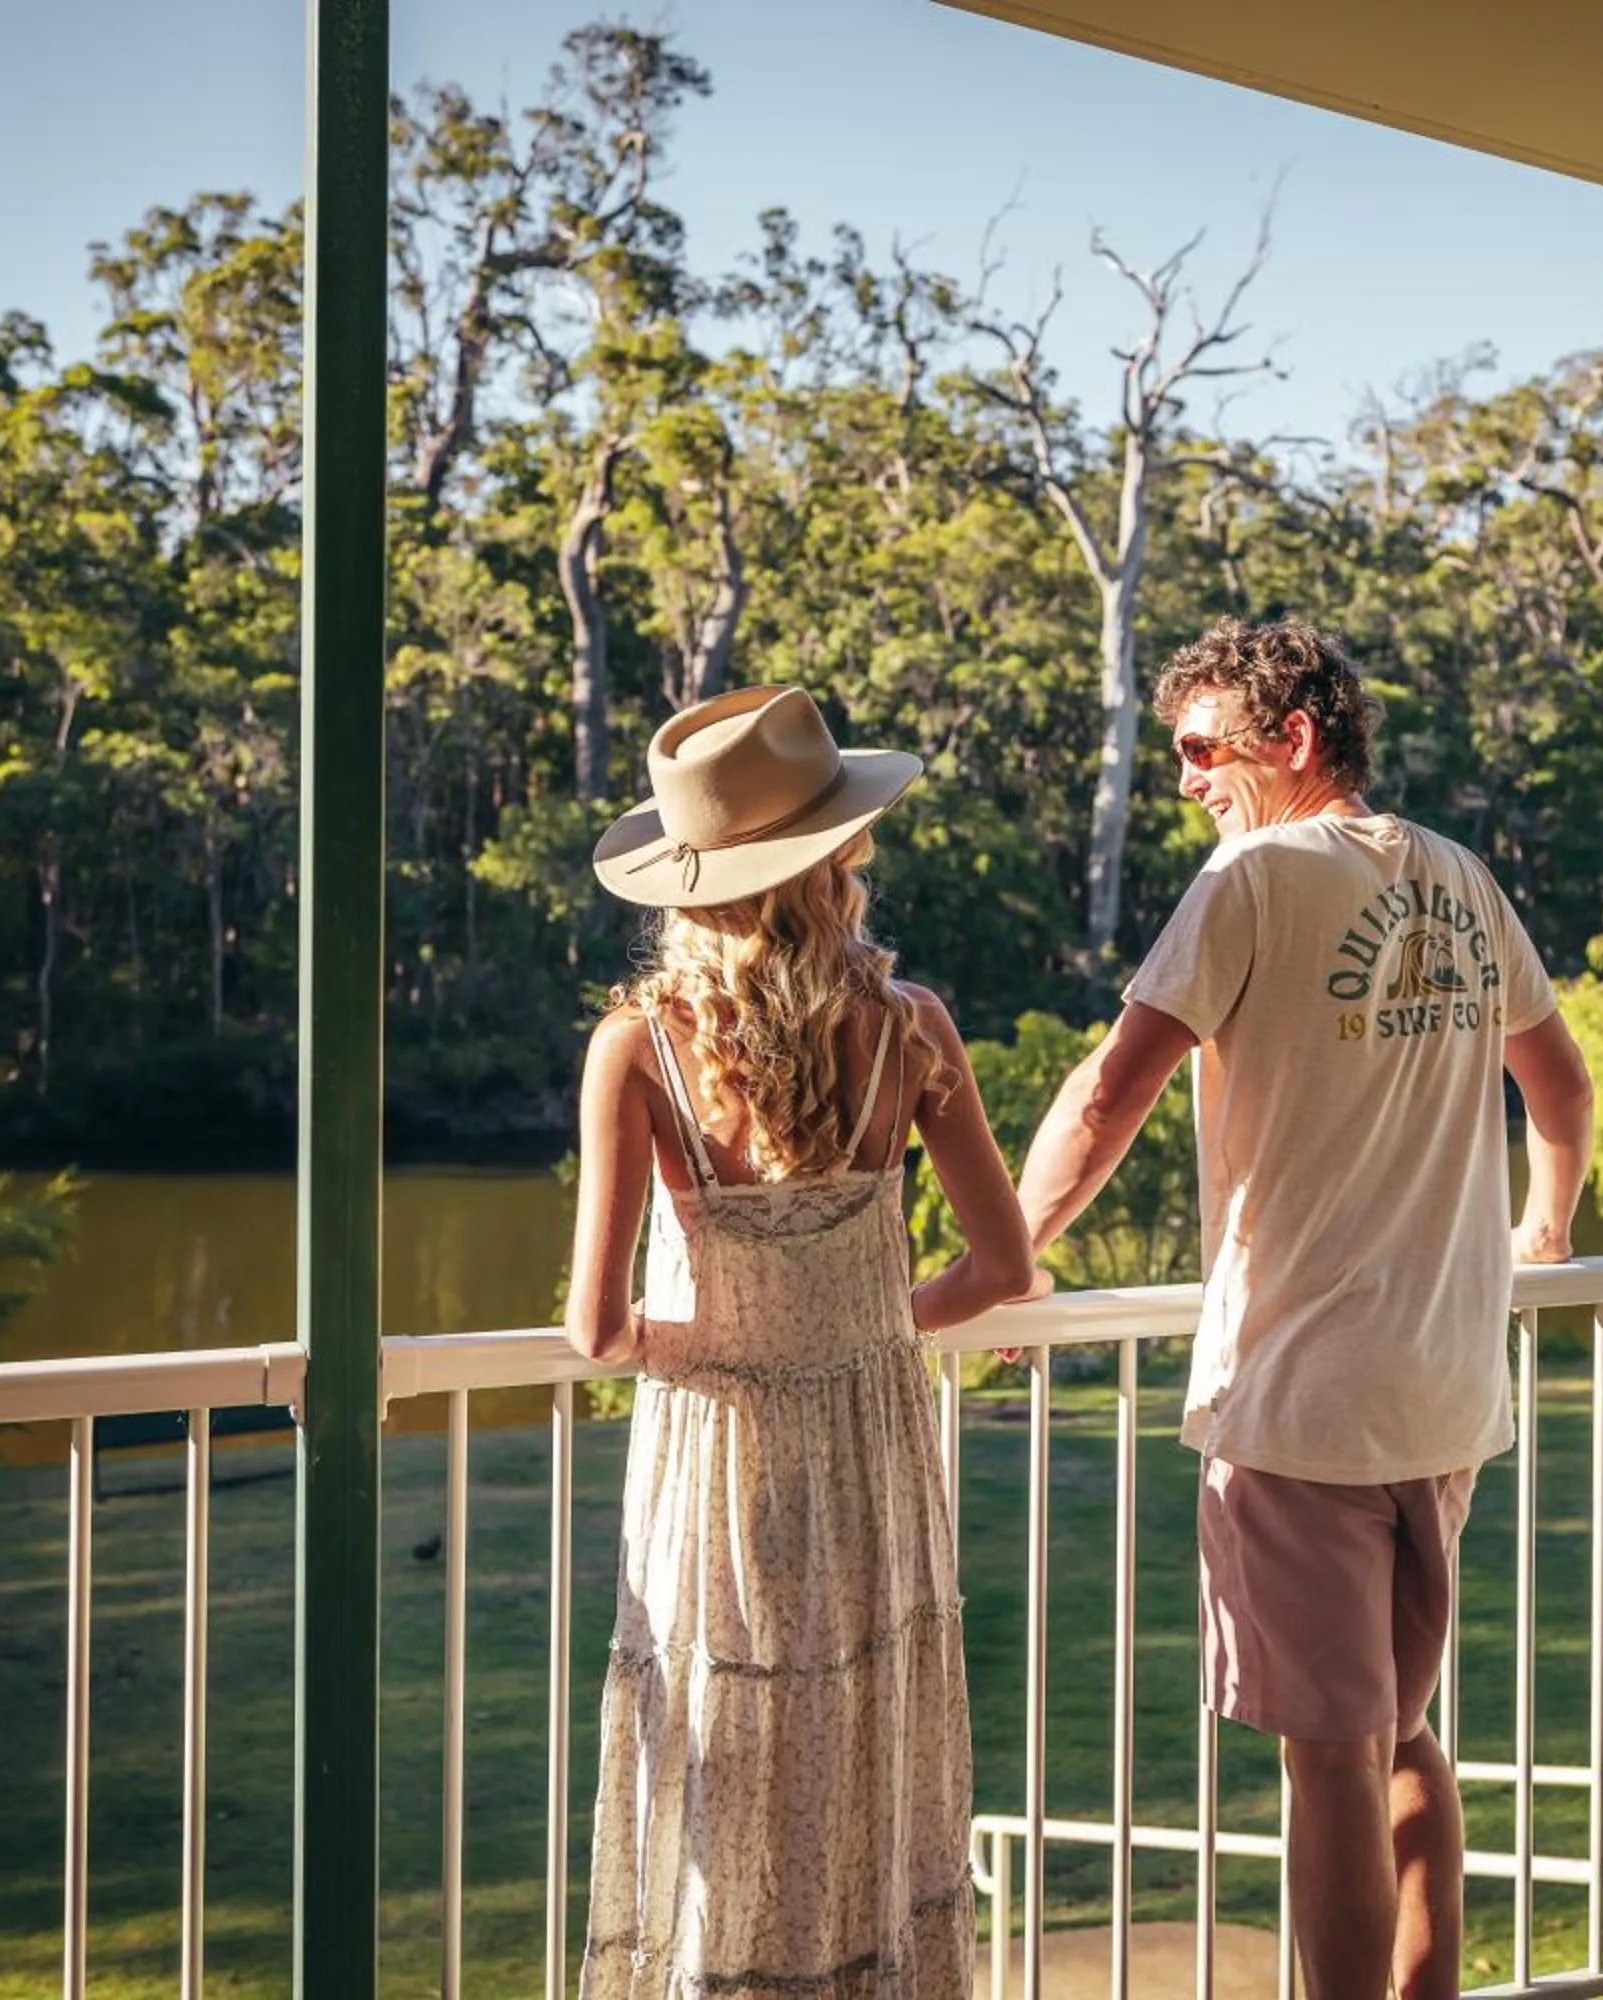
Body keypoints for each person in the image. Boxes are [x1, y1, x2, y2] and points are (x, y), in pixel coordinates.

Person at [1016, 620, 1594, 2000]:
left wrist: (1008, 1251)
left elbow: (1108, 1096)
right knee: (1400, 1733)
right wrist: (1547, 1227)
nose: (1187, 779)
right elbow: (1560, 1086)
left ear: (1293, 738)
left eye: (1203, 749)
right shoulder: (1457, 875)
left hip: (1301, 1401)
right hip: (1446, 1386)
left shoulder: (1253, 879)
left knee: (1332, 1759)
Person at [565, 684, 1036, 2000]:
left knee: (719, 1772)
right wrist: (866, 1329)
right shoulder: (912, 1025)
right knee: (868, 1762)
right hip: (874, 1455)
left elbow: (597, 1329)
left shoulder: (636, 1049)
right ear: (837, 857)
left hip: (720, 1468)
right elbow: (1001, 1268)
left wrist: (736, 1344)